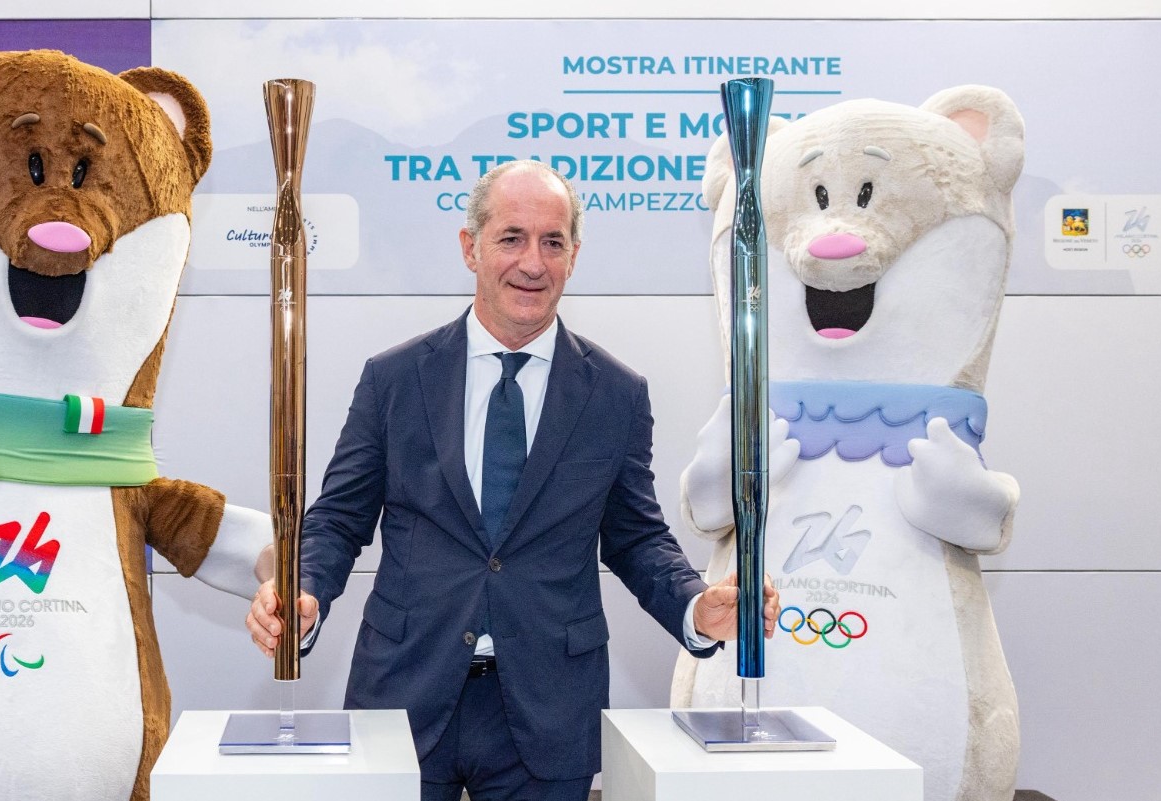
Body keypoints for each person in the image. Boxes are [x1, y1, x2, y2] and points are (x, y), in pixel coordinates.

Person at [246, 159, 778, 801]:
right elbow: (338, 520)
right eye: (511, 238)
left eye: (552, 242)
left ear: (574, 256)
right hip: (405, 693)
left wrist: (695, 605)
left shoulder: (615, 393)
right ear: (470, 247)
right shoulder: (395, 379)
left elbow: (636, 538)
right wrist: (302, 592)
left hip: (551, 708)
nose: (533, 262)